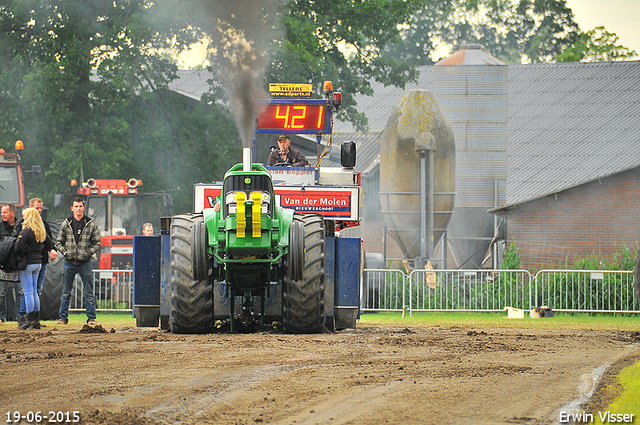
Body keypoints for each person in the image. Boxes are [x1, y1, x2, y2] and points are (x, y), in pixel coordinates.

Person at [56, 197, 101, 325]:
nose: (78, 209)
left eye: (80, 206)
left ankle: (91, 318)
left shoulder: (90, 223)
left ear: (83, 208)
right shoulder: (66, 223)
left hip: (85, 262)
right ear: (72, 208)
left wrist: (88, 253)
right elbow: (59, 241)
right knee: (66, 292)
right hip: (69, 262)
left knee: (89, 292)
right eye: (76, 206)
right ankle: (63, 318)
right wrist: (65, 253)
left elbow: (97, 242)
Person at [15, 198, 58, 325]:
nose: (23, 218)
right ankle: (36, 319)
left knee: (28, 292)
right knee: (34, 291)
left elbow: (17, 247)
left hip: (28, 263)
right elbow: (50, 243)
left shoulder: (26, 231)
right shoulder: (41, 230)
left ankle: (28, 319)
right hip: (39, 262)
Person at [0, 204, 22, 325]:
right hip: (3, 267)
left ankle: (20, 317)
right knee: (1, 293)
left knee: (19, 292)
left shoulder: (21, 226)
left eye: (5, 212)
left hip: (17, 267)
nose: (2, 215)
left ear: (12, 213)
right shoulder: (0, 227)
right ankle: (0, 317)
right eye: (2, 212)